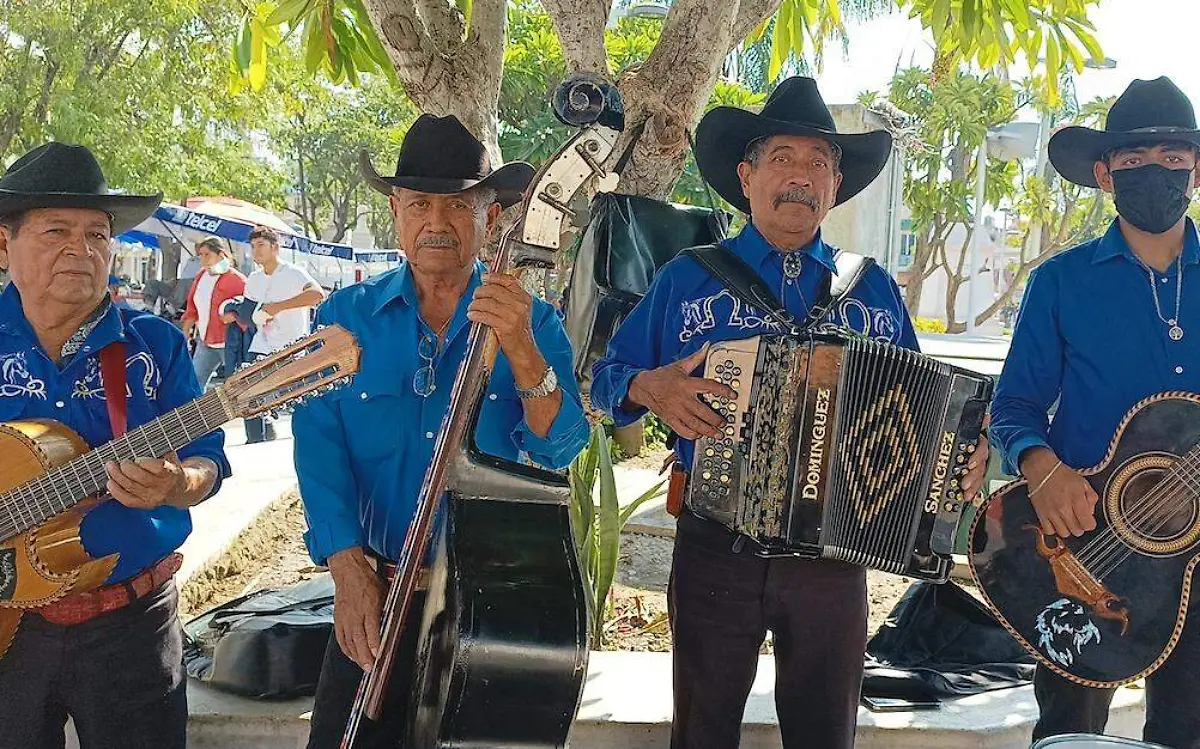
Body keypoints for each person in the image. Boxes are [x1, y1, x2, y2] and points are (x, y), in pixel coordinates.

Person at [590, 77, 990, 749]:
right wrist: (650, 388)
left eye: (818, 163)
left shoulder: (874, 290)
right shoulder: (690, 276)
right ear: (746, 176)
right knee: (702, 734)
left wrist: (967, 454)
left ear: (835, 186)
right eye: (782, 157)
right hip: (715, 546)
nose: (799, 176)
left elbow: (935, 413)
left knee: (826, 736)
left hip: (836, 561)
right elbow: (602, 383)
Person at [292, 114, 590, 749]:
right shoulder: (343, 318)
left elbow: (560, 447)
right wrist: (347, 572)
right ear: (397, 213)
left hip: (489, 606)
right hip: (374, 590)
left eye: (458, 205)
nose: (437, 221)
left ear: (493, 217)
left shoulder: (533, 319)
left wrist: (521, 349)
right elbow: (319, 449)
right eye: (419, 203)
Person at [990, 76, 1200, 749]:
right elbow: (1014, 404)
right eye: (1135, 160)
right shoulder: (1061, 281)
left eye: (1173, 157)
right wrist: (1041, 466)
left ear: (1197, 169)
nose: (1157, 173)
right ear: (1106, 175)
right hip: (1080, 555)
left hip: (1196, 565)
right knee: (1068, 736)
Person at [0, 142, 230, 748]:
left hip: (131, 624)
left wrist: (179, 484)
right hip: (8, 630)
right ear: (5, 244)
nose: (82, 249)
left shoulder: (155, 345)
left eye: (98, 234)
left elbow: (210, 457)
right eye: (55, 231)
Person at [242, 225, 325, 442]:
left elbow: (317, 294)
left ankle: (306, 440)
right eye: (252, 246)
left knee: (300, 403)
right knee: (248, 395)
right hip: (261, 344)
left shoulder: (293, 273)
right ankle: (256, 440)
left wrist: (279, 306)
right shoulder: (253, 278)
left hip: (292, 347)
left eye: (261, 245)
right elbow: (249, 310)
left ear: (275, 247)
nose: (256, 251)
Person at [180, 237, 246, 389]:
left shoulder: (238, 280)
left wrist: (235, 316)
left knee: (236, 385)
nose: (203, 259)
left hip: (229, 343)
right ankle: (195, 413)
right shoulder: (201, 276)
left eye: (207, 255)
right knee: (194, 382)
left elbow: (248, 310)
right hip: (205, 341)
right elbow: (192, 307)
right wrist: (185, 333)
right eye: (201, 255)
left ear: (220, 254)